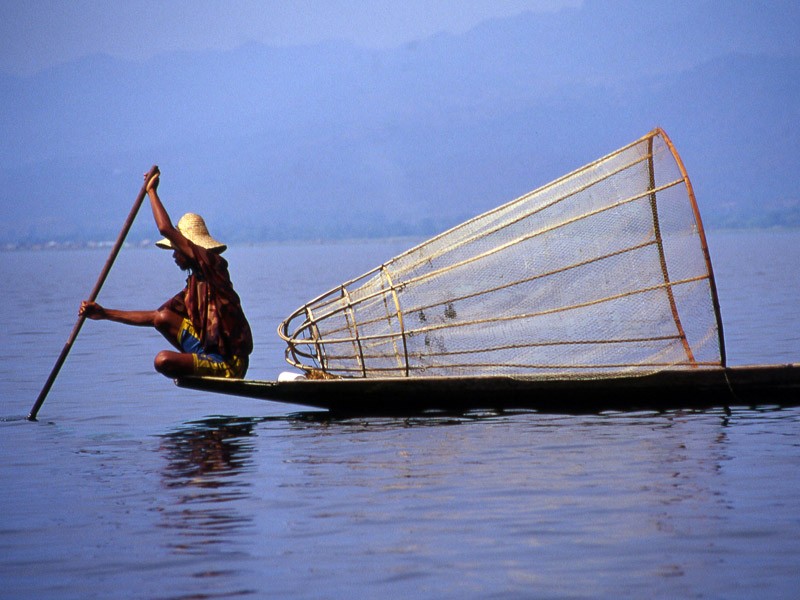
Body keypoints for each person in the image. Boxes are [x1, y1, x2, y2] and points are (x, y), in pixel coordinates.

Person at [80, 170, 253, 379]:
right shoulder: (194, 286)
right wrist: (105, 313)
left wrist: (151, 192)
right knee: (163, 318)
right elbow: (155, 317)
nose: (173, 255)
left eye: (176, 249)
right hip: (209, 352)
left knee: (162, 360)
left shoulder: (213, 267)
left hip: (229, 363)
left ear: (189, 250)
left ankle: (207, 367)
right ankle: (199, 362)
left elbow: (165, 228)